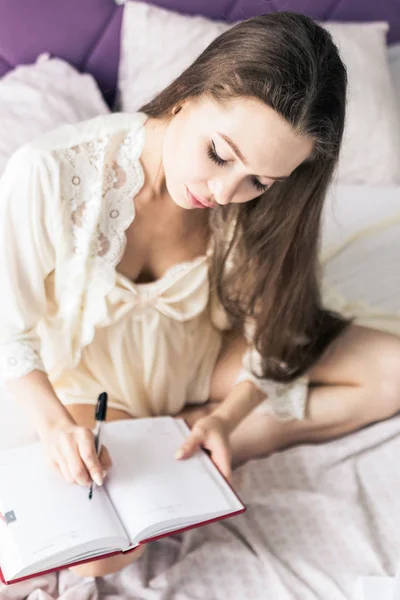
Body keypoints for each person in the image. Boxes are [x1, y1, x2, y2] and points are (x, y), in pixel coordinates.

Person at [1, 12, 399, 578]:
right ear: (188, 94)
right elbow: (8, 330)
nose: (224, 192)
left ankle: (199, 430)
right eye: (219, 154)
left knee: (393, 372)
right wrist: (55, 426)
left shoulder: (263, 202)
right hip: (101, 387)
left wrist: (230, 416)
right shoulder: (47, 174)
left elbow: (268, 324)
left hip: (203, 354)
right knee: (103, 556)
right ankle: (182, 440)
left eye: (259, 180)